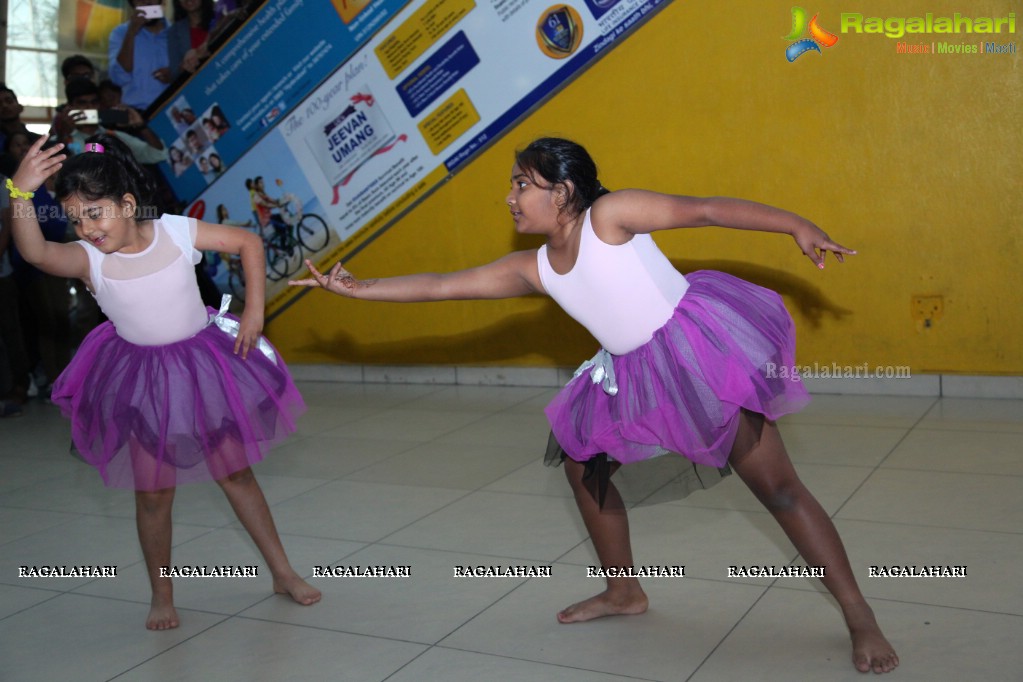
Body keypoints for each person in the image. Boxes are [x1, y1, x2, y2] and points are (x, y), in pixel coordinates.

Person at [291, 137, 899, 674]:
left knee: (778, 488)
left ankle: (858, 612)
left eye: (522, 184)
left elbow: (707, 209)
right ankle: (624, 591)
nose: (510, 196)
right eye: (512, 184)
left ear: (564, 191)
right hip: (628, 371)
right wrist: (357, 288)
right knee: (584, 462)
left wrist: (795, 224)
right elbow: (444, 285)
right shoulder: (534, 268)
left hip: (696, 357)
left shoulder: (611, 216)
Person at [9, 133, 319, 629]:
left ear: (128, 204)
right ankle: (162, 593)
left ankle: (282, 571)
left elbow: (248, 242)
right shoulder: (90, 260)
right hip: (140, 380)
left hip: (204, 368)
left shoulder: (174, 231)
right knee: (153, 494)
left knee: (236, 474)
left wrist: (255, 311)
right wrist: (21, 196)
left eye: (96, 213)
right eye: (75, 218)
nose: (87, 228)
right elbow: (35, 254)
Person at [108, 1, 172, 111]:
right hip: (134, 112)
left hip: (170, 112)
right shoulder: (120, 33)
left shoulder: (176, 32)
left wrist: (174, 74)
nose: (147, 2)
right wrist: (131, 32)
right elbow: (118, 78)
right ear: (133, 4)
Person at [168, 0, 216, 78]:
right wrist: (186, 64)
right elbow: (175, 72)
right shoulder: (175, 30)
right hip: (199, 84)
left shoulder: (221, 17)